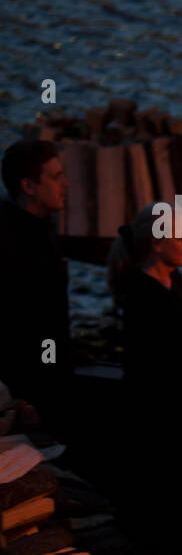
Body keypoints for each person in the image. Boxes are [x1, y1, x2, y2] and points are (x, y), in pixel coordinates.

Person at [110, 205, 182, 555]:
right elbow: (150, 368)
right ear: (158, 242)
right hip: (159, 420)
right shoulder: (142, 295)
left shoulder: (174, 281)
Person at [0, 140, 70, 432]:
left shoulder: (39, 231)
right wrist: (25, 397)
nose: (65, 184)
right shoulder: (13, 243)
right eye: (55, 177)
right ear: (28, 186)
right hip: (28, 392)